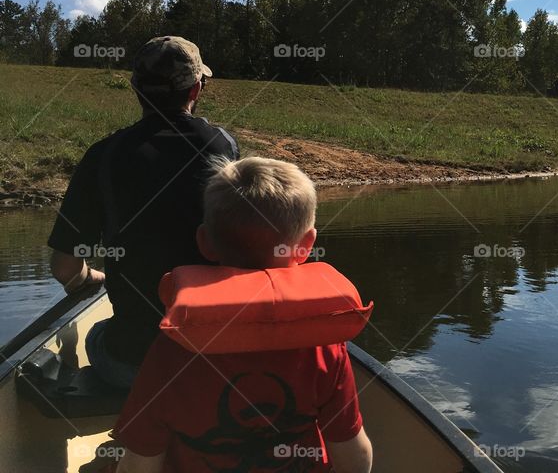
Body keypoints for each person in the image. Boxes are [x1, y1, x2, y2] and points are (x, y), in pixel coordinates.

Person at [113, 157, 373, 473]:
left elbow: (140, 465)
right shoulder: (326, 346)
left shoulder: (176, 346)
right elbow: (355, 457)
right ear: (306, 246)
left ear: (204, 242)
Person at [47, 36, 239, 388]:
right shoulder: (225, 146)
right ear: (196, 89)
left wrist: (86, 278)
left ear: (137, 89)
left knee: (98, 335)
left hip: (138, 364)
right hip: (218, 358)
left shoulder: (103, 156)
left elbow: (64, 267)